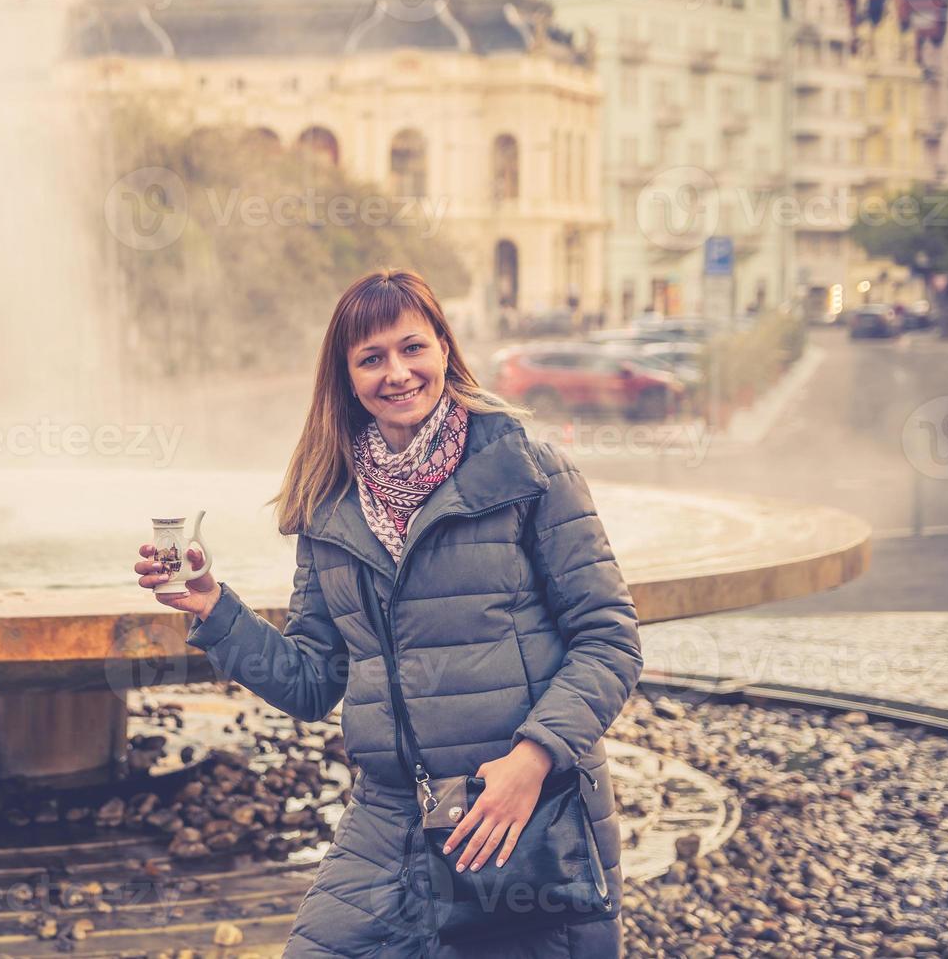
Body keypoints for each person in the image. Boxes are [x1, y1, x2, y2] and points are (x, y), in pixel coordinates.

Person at [134, 268, 643, 957]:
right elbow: (314, 681)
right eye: (371, 358)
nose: (396, 373)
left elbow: (608, 640)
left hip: (522, 807)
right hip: (391, 815)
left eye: (413, 348)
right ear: (345, 378)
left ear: (444, 350)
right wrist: (216, 611)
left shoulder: (526, 470)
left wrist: (532, 761)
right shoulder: (327, 502)